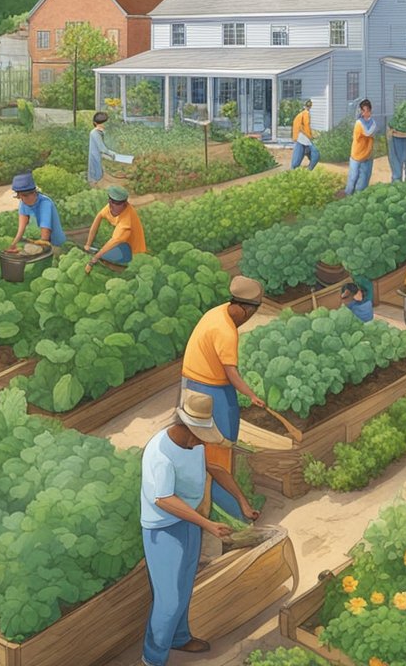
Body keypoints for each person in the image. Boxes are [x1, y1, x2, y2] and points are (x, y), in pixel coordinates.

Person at [140, 392, 259, 664]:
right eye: (198, 433)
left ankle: (180, 638)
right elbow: (164, 499)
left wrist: (242, 501)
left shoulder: (195, 445)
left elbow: (216, 468)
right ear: (184, 427)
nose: (201, 440)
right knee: (168, 600)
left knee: (183, 589)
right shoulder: (159, 453)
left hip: (189, 523)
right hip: (163, 530)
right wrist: (207, 524)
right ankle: (152, 658)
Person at [179, 276, 269, 519]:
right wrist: (252, 396)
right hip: (210, 390)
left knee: (208, 448)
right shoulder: (226, 331)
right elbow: (232, 373)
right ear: (244, 308)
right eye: (250, 313)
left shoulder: (216, 312)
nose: (248, 318)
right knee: (220, 449)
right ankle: (229, 511)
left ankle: (216, 498)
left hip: (193, 384)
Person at [83, 185, 146, 272]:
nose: (112, 205)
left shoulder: (126, 222)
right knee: (100, 252)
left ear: (125, 204)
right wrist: (88, 244)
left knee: (102, 254)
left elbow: (114, 241)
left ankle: (121, 269)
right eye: (111, 201)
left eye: (117, 203)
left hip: (132, 250)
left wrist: (93, 260)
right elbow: (98, 218)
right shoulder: (110, 207)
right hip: (122, 243)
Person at [7, 172, 65, 250]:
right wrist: (13, 244)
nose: (23, 200)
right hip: (38, 241)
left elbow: (45, 232)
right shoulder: (23, 203)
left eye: (25, 196)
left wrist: (38, 246)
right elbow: (21, 228)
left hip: (55, 243)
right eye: (20, 197)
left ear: (33, 192)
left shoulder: (45, 203)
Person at [346, 99, 376, 195]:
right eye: (363, 110)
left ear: (370, 111)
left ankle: (358, 198)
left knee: (364, 180)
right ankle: (348, 196)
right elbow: (368, 133)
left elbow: (371, 130)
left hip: (367, 156)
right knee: (353, 177)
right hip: (356, 155)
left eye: (366, 110)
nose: (365, 113)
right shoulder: (359, 123)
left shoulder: (373, 122)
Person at [88, 111, 121, 186]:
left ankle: (97, 182)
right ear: (96, 123)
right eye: (101, 123)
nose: (103, 125)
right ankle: (94, 184)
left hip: (99, 154)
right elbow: (102, 148)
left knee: (99, 170)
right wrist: (112, 153)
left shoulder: (100, 132)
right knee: (96, 171)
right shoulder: (94, 133)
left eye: (104, 123)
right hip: (95, 155)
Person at [290, 99, 319, 170]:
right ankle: (309, 169)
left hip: (299, 137)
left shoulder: (301, 114)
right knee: (316, 154)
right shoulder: (306, 114)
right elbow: (306, 126)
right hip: (303, 137)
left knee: (298, 155)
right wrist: (310, 136)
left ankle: (294, 169)